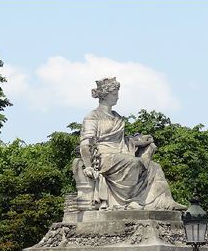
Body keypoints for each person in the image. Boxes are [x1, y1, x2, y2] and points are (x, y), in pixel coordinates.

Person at [77, 77, 185, 211]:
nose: (117, 98)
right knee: (133, 162)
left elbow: (122, 141)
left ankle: (165, 202)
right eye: (114, 94)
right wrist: (88, 166)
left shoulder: (117, 116)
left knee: (154, 167)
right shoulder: (92, 117)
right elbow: (85, 144)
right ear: (104, 96)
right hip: (104, 156)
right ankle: (130, 202)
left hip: (120, 154)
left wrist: (139, 142)